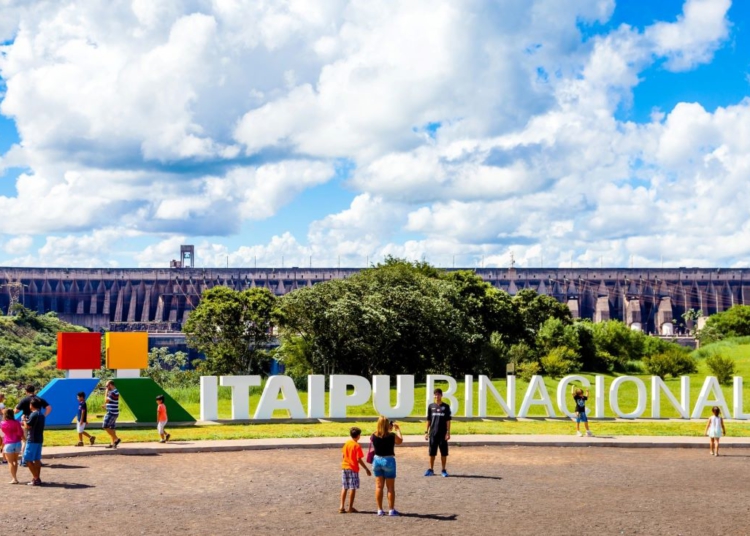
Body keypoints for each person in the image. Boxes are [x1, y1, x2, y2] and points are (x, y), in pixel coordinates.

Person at [371, 416, 403, 517]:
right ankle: (391, 509)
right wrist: (397, 429)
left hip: (377, 460)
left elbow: (379, 435)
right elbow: (400, 441)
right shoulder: (392, 435)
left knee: (379, 486)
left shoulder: (374, 435)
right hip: (388, 460)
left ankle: (379, 509)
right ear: (387, 425)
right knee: (390, 487)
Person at [339, 426, 371, 513]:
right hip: (353, 468)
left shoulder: (347, 443)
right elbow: (358, 459)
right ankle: (350, 507)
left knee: (344, 487)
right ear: (358, 436)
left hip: (345, 467)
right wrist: (366, 469)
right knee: (353, 487)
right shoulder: (357, 446)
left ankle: (341, 506)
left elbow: (343, 455)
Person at [425, 388, 452, 477]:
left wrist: (448, 432)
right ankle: (431, 469)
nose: (437, 396)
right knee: (432, 452)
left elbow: (448, 420)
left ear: (441, 395)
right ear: (434, 396)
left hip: (442, 434)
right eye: (436, 394)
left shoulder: (446, 406)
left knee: (443, 452)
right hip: (433, 433)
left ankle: (443, 470)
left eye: (439, 394)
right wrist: (426, 432)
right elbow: (428, 420)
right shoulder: (431, 406)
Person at [22, 398, 45, 486]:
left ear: (32, 405)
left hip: (32, 439)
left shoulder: (34, 414)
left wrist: (24, 420)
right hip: (39, 439)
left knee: (27, 459)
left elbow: (28, 426)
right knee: (37, 459)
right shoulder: (41, 414)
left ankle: (36, 478)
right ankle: (37, 478)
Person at [2, 408, 23, 483]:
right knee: (15, 461)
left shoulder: (2, 423)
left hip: (8, 443)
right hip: (17, 442)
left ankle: (14, 478)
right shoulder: (17, 422)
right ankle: (15, 477)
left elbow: (2, 434)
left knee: (10, 462)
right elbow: (20, 433)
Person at [102, 381, 121, 449]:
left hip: (111, 412)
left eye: (107, 386)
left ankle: (116, 439)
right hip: (114, 412)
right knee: (112, 428)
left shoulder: (112, 392)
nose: (106, 387)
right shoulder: (116, 391)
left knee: (105, 426)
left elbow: (106, 400)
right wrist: (106, 405)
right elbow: (112, 401)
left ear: (110, 385)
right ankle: (113, 444)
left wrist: (106, 392)